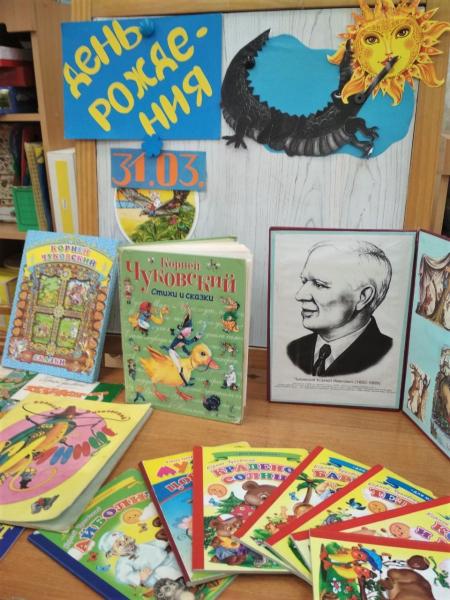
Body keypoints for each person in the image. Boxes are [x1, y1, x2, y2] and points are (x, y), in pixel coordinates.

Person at [287, 239, 393, 376]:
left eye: (319, 284)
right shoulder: (293, 350)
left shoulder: (387, 355)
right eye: (304, 281)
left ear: (363, 297)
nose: (300, 295)